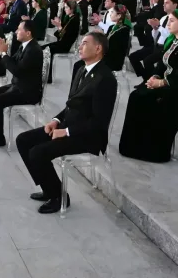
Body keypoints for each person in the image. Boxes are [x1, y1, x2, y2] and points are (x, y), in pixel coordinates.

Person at [16, 32, 117, 213]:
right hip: (68, 126)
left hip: (87, 137)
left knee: (38, 152)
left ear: (98, 48)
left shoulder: (106, 79)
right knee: (23, 140)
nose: (79, 47)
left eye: (85, 43)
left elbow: (98, 122)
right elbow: (72, 104)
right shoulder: (81, 69)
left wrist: (67, 131)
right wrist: (56, 120)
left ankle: (59, 197)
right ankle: (49, 189)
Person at [118, 8, 178, 163]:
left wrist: (161, 82)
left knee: (152, 101)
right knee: (136, 96)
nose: (168, 24)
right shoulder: (174, 41)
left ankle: (155, 151)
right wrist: (154, 77)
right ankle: (135, 146)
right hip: (168, 84)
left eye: (172, 21)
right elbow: (162, 65)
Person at [0, 20, 44, 148]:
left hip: (28, 91)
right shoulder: (24, 45)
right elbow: (12, 62)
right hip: (18, 86)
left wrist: (3, 54)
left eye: (19, 29)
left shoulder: (33, 50)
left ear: (28, 33)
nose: (16, 32)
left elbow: (17, 71)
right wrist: (2, 53)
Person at [129, 0, 178, 81]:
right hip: (156, 45)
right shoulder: (163, 18)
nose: (164, 5)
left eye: (167, 3)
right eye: (163, 3)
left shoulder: (177, 19)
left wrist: (158, 26)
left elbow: (171, 35)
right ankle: (146, 79)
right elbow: (156, 36)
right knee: (134, 57)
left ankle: (150, 81)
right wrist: (155, 28)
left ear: (175, 5)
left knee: (147, 61)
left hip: (166, 47)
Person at [45, 1, 81, 83]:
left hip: (65, 45)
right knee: (42, 48)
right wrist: (59, 25)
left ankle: (48, 76)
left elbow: (65, 36)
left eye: (66, 7)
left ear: (71, 9)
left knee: (47, 50)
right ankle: (46, 74)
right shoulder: (70, 18)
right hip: (61, 43)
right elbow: (59, 35)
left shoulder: (74, 20)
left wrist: (59, 26)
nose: (65, 9)